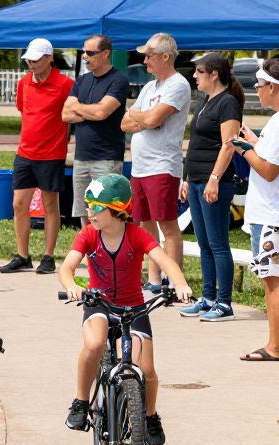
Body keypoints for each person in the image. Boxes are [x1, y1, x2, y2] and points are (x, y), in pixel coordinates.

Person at [59, 174, 192, 445]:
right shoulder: (88, 234)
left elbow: (166, 262)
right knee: (94, 345)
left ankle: (150, 416)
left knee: (147, 369)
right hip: (99, 303)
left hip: (133, 306)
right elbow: (66, 268)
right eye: (88, 206)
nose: (90, 212)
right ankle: (81, 402)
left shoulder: (136, 234)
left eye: (95, 207)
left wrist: (179, 284)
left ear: (117, 209)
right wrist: (72, 285)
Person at [121, 33, 192, 291]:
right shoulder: (150, 87)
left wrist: (143, 117)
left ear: (165, 56)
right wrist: (145, 116)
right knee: (146, 224)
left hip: (162, 166)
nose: (145, 59)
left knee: (167, 225)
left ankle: (175, 283)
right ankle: (154, 279)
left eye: (149, 55)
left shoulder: (178, 84)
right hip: (140, 166)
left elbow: (153, 120)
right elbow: (124, 122)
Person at [179, 52, 244, 322]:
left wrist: (214, 179)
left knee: (218, 244)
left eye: (199, 71)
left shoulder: (227, 103)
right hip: (195, 180)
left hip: (214, 182)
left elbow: (228, 145)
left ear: (214, 73)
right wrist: (186, 178)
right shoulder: (205, 100)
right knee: (203, 243)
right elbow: (195, 142)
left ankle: (225, 304)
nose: (194, 76)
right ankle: (207, 298)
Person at [0, 37, 72, 275]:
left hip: (51, 154)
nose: (31, 64)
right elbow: (24, 111)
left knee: (50, 205)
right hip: (25, 153)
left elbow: (69, 116)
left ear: (49, 58)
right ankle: (23, 255)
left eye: (35, 59)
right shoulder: (24, 83)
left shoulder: (64, 84)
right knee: (18, 204)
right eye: (28, 60)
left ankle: (48, 256)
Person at [232, 59, 279, 360]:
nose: (256, 90)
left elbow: (269, 170)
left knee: (272, 284)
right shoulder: (274, 124)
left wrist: (245, 150)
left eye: (259, 85)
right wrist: (255, 141)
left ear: (273, 87)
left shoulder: (278, 122)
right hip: (270, 214)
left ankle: (274, 346)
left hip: (270, 216)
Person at [62, 34, 129, 226]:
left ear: (106, 53)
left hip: (107, 158)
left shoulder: (118, 80)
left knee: (106, 214)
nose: (85, 57)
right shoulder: (82, 80)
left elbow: (102, 112)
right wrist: (93, 109)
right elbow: (65, 114)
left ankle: (108, 254)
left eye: (90, 53)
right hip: (81, 157)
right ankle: (91, 255)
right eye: (84, 52)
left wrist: (82, 107)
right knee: (85, 213)